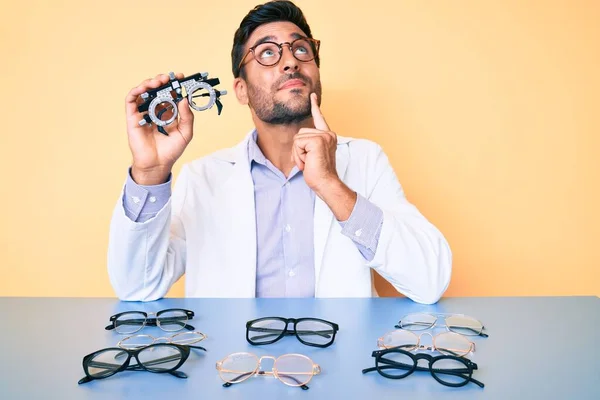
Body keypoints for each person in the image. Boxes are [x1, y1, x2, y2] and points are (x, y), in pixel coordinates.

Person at [108, 0, 451, 304]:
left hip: (338, 366)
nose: (290, 61)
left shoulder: (365, 160)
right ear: (240, 90)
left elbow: (430, 280)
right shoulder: (203, 178)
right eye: (268, 53)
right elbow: (137, 286)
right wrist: (150, 174)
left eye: (301, 49)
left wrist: (332, 185)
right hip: (234, 369)